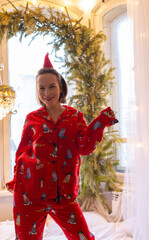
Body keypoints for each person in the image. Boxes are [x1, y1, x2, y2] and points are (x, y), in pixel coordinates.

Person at [6, 53, 118, 240]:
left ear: (60, 87)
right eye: (41, 88)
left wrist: (101, 122)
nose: (46, 93)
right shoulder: (32, 118)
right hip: (31, 194)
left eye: (51, 87)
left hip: (64, 196)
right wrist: (16, 178)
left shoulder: (74, 117)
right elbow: (23, 151)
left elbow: (84, 148)